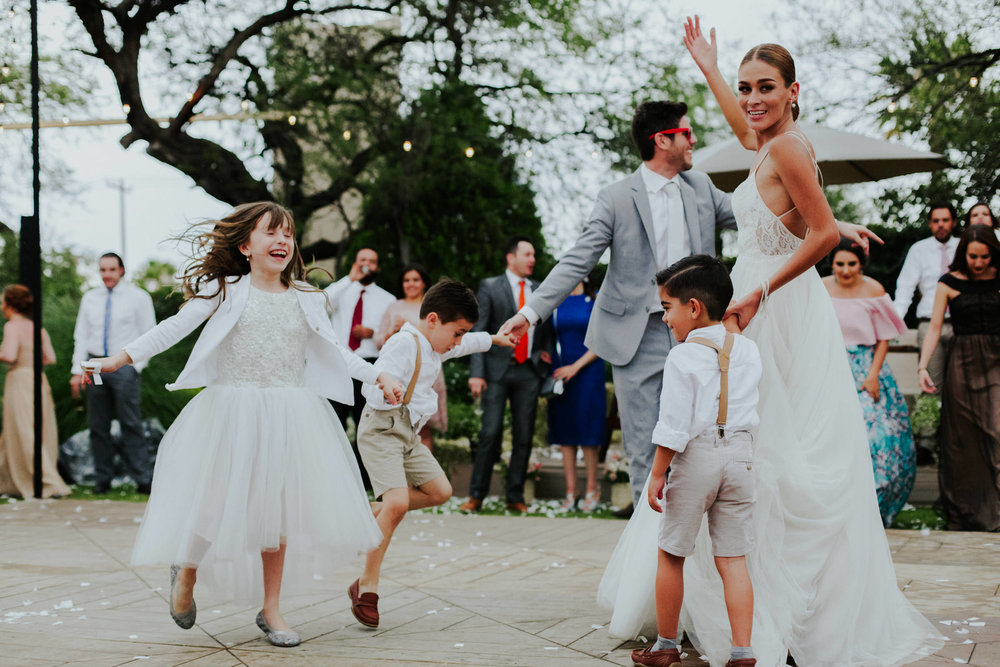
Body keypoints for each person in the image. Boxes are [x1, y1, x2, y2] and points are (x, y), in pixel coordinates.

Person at [599, 19, 944, 666]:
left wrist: (762, 289)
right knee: (747, 443)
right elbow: (757, 154)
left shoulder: (788, 147)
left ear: (793, 91)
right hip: (757, 297)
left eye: (765, 88)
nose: (752, 98)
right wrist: (709, 66)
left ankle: (786, 608)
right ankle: (734, 603)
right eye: (745, 88)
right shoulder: (764, 145)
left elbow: (818, 240)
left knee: (775, 450)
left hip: (777, 305)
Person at [82, 202, 401, 646]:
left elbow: (337, 351)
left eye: (288, 233)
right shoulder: (226, 289)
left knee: (280, 514)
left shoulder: (306, 297)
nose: (282, 241)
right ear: (245, 245)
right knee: (213, 504)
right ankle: (187, 572)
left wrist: (378, 374)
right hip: (233, 412)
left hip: (290, 413)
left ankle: (271, 610)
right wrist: (122, 357)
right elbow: (174, 327)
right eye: (271, 232)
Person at [500, 102, 737, 510]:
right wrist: (529, 313)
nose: (694, 139)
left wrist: (829, 225)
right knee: (646, 445)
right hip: (636, 335)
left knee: (700, 436)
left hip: (698, 332)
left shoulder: (701, 187)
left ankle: (693, 539)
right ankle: (651, 552)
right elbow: (578, 259)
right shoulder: (614, 198)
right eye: (686, 132)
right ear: (663, 140)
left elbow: (755, 217)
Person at [349, 279, 514, 628]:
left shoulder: (436, 344)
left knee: (440, 491)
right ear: (434, 319)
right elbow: (376, 377)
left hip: (407, 434)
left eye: (462, 334)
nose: (457, 341)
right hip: (381, 428)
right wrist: (387, 384)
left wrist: (494, 338)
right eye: (456, 332)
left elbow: (466, 344)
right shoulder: (403, 343)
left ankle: (363, 513)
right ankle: (366, 586)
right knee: (396, 505)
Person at [630, 256, 761, 667]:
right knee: (733, 557)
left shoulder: (682, 357)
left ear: (693, 308)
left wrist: (656, 474)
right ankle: (742, 651)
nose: (665, 319)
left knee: (672, 552)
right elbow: (732, 356)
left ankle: (666, 647)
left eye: (667, 308)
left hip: (697, 455)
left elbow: (673, 425)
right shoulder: (750, 350)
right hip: (741, 456)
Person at [824, 240, 915, 527]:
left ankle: (876, 506)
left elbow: (884, 336)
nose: (845, 270)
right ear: (832, 265)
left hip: (866, 366)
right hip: (830, 364)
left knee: (878, 433)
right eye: (840, 264)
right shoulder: (820, 288)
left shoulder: (874, 290)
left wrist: (873, 374)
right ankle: (838, 507)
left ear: (861, 264)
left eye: (851, 264)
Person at [459, 236, 554, 513]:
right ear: (511, 258)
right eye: (527, 254)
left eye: (534, 255)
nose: (532, 259)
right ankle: (476, 495)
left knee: (524, 435)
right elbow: (480, 329)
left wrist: (544, 352)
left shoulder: (540, 290)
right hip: (496, 371)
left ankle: (515, 496)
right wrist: (476, 373)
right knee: (490, 432)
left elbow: (548, 328)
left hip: (529, 372)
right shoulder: (490, 286)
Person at [917, 225, 1000, 531]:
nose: (978, 263)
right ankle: (967, 511)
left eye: (985, 256)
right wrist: (923, 367)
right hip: (962, 362)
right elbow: (935, 328)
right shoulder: (948, 282)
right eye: (973, 256)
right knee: (961, 440)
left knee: (996, 430)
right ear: (963, 252)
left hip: (996, 360)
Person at [70, 252, 156, 494]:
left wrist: (136, 366)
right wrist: (78, 370)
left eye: (111, 269)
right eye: (102, 270)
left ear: (122, 271)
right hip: (94, 365)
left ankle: (142, 479)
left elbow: (149, 334)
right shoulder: (90, 298)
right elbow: (82, 336)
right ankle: (102, 479)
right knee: (98, 425)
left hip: (124, 367)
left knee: (131, 423)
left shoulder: (138, 298)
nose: (107, 275)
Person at [0, 285, 72, 499]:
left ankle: (50, 483)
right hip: (39, 380)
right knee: (32, 430)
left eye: (3, 301)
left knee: (23, 430)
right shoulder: (38, 328)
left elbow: (10, 355)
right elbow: (50, 358)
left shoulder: (12, 327)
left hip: (20, 380)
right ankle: (8, 481)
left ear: (10, 304)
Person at [546, 280, 605, 511]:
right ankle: (571, 491)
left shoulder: (597, 297)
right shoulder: (556, 300)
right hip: (560, 373)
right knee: (565, 431)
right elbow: (549, 334)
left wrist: (576, 367)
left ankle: (593, 487)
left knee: (589, 432)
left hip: (588, 372)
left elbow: (601, 339)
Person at [375, 264, 447, 450]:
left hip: (427, 370)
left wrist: (409, 325)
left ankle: (423, 477)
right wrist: (392, 332)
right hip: (401, 373)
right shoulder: (393, 307)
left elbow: (439, 337)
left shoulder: (432, 307)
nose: (411, 284)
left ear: (424, 283)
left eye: (415, 279)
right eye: (407, 280)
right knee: (399, 425)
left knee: (424, 428)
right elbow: (378, 339)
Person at [324, 248, 396, 428]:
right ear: (355, 263)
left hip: (370, 364)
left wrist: (372, 333)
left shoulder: (388, 299)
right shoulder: (342, 290)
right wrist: (350, 278)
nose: (366, 265)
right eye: (362, 260)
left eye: (371, 261)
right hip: (339, 363)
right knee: (334, 420)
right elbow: (320, 303)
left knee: (364, 421)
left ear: (378, 268)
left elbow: (391, 334)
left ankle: (359, 457)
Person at [893, 202, 959, 393]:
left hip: (960, 323)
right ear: (930, 224)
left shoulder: (964, 247)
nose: (941, 224)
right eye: (936, 220)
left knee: (961, 383)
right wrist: (896, 321)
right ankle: (931, 423)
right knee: (931, 383)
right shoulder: (918, 250)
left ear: (953, 222)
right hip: (928, 323)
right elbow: (905, 287)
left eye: (945, 220)